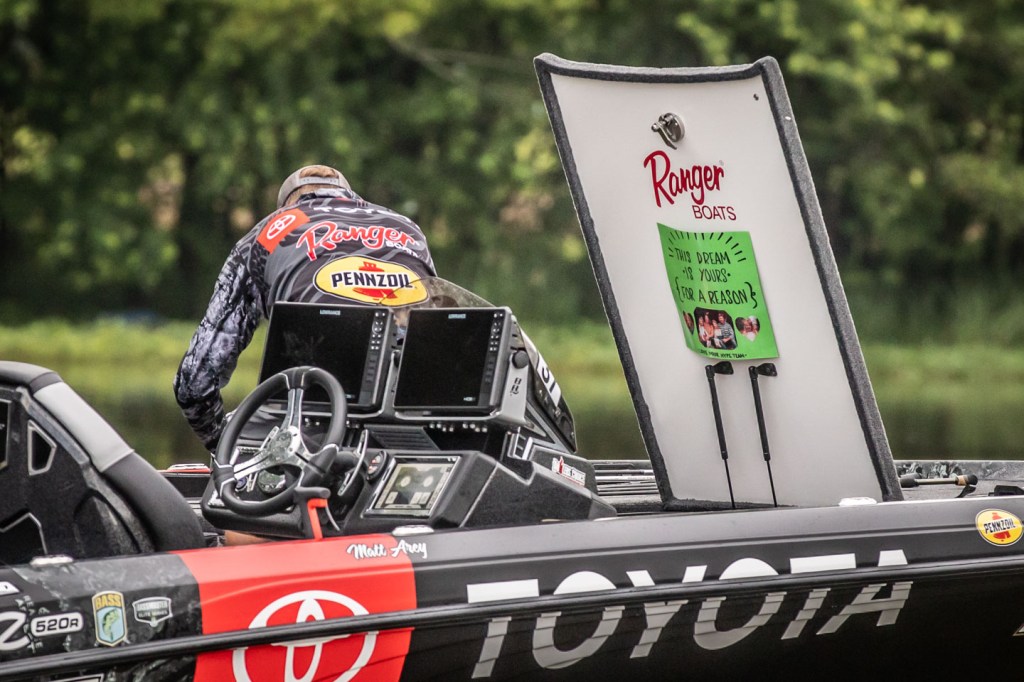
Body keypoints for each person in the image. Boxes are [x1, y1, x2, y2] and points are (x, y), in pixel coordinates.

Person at [173, 165, 436, 453]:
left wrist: (221, 446)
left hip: (306, 419)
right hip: (412, 417)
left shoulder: (267, 234)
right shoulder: (409, 230)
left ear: (287, 205)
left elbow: (195, 383)